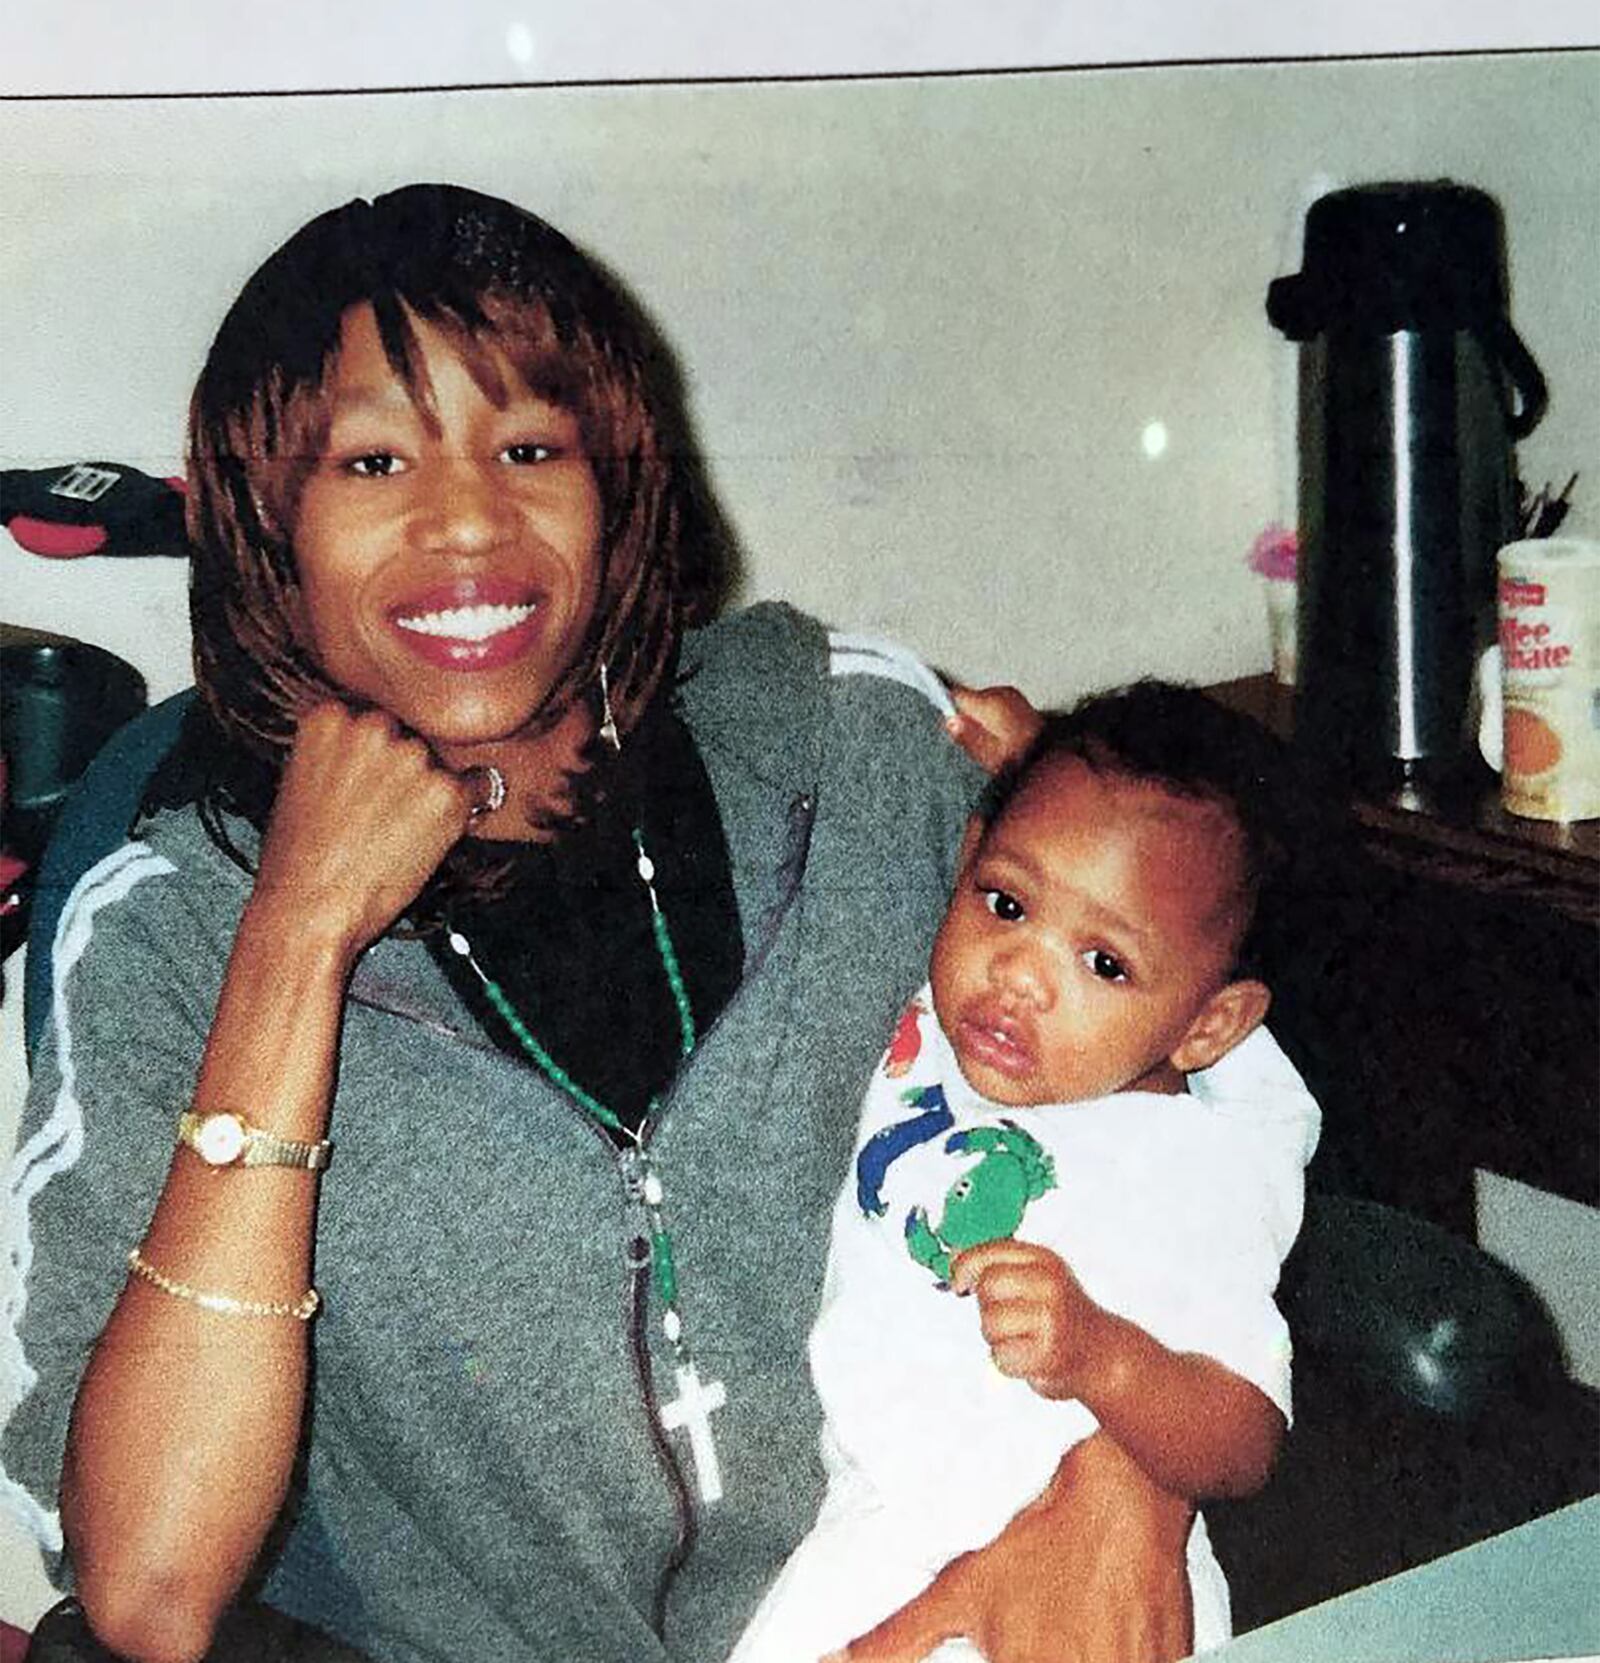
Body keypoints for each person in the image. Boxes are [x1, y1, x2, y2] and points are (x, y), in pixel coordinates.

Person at [0, 184, 1309, 1663]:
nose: (468, 522)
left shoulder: (854, 743)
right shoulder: (175, 915)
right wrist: (296, 939)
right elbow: (150, 1591)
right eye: (372, 460)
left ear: (616, 481)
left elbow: (1182, 1057)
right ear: (267, 519)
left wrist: (1121, 1468)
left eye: (531, 447)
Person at [727, 684, 1320, 1663]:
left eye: (1103, 964)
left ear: (1209, 1025)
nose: (1020, 975)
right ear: (965, 864)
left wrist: (1101, 1353)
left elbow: (1243, 1438)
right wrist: (1036, 757)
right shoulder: (947, 1031)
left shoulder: (1185, 1163)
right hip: (870, 1536)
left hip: (1075, 1585)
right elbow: (1094, 857)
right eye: (1005, 904)